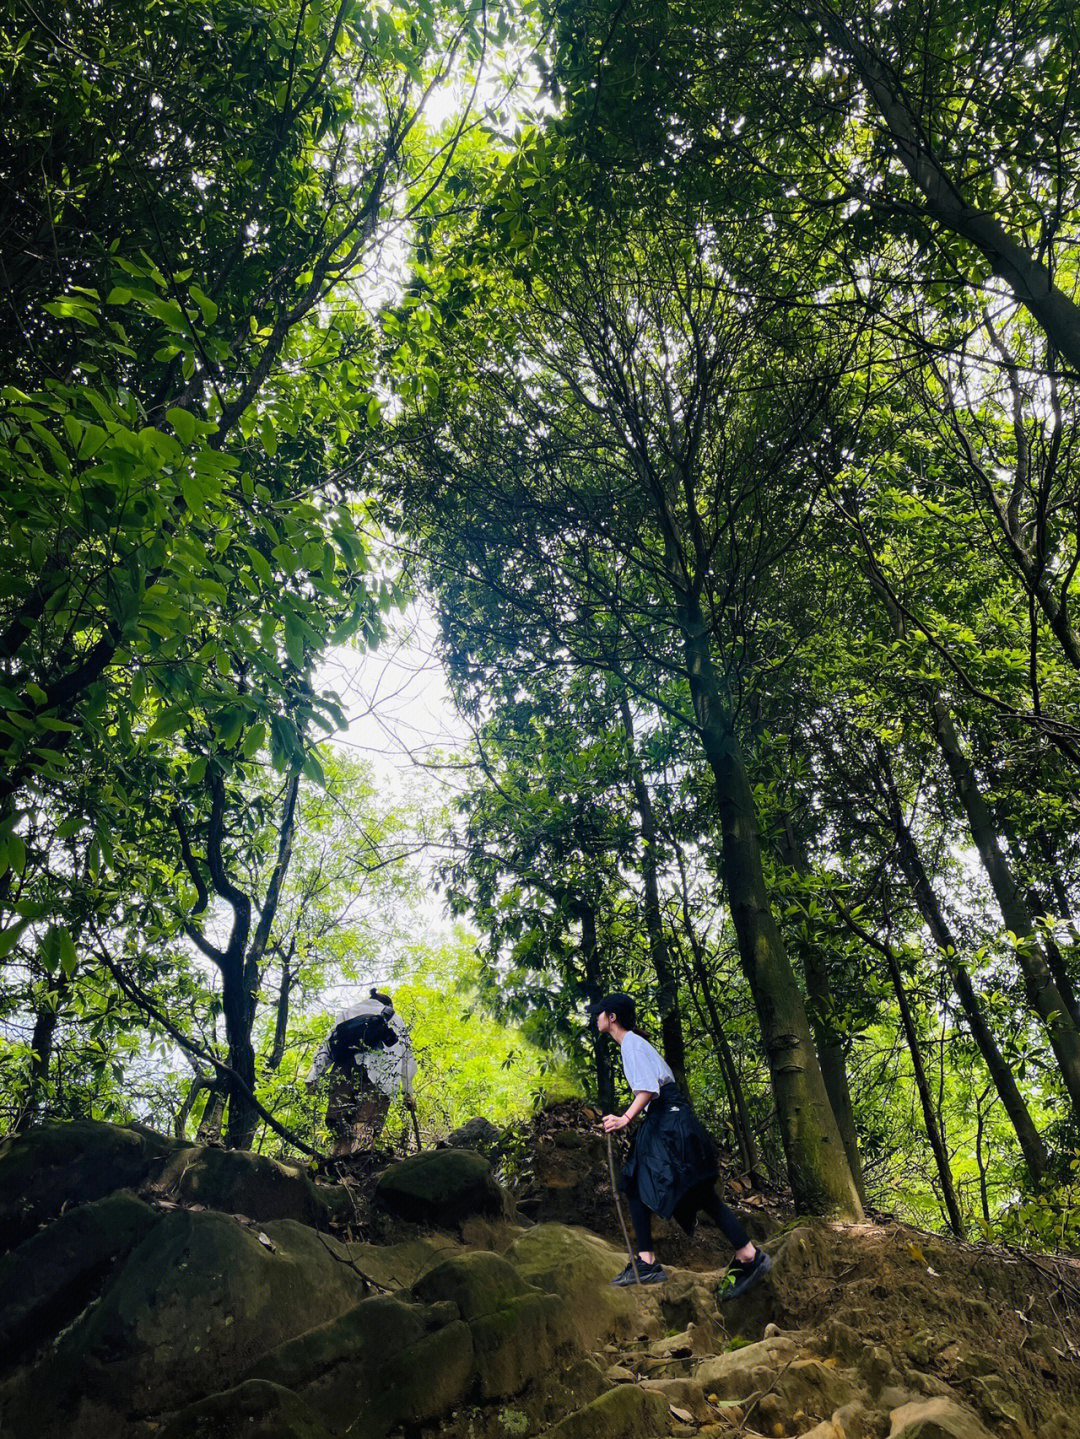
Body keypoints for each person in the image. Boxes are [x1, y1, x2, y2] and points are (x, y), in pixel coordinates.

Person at [592, 991, 770, 1297]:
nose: (595, 1017)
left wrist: (624, 1119)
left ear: (612, 1017)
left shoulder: (632, 1044)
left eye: (599, 1012)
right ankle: (745, 1255)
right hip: (672, 1120)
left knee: (641, 1179)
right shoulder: (634, 1042)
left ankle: (652, 1262)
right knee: (690, 1189)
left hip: (668, 1122)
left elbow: (647, 1089)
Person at [306, 988, 417, 1157]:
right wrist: (407, 1092)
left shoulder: (349, 1012)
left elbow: (328, 1045)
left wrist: (313, 1076)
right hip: (380, 1075)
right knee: (366, 1123)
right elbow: (407, 1058)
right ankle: (357, 1171)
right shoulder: (395, 1018)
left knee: (340, 1124)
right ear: (388, 1004)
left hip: (344, 1069)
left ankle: (336, 1170)